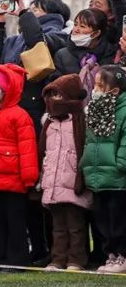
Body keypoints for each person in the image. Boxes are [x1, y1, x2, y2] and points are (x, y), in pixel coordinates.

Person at [0, 64, 39, 269]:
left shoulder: (19, 115)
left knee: (15, 223)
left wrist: (29, 178)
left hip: (14, 180)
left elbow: (28, 149)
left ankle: (16, 260)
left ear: (5, 88)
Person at [38, 74, 90, 271]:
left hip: (73, 181)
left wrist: (81, 177)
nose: (53, 100)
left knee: (75, 225)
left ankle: (76, 259)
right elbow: (43, 152)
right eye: (50, 96)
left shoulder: (80, 121)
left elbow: (83, 150)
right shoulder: (49, 123)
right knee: (58, 226)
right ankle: (58, 259)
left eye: (57, 95)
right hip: (53, 182)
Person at [80, 65, 126, 274]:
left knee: (119, 219)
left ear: (114, 90)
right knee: (102, 218)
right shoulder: (94, 109)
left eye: (100, 86)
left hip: (117, 177)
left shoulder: (123, 111)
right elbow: (90, 142)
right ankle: (111, 254)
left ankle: (122, 255)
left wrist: (120, 164)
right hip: (98, 174)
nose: (95, 89)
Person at [54, 9, 117, 82]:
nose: (76, 29)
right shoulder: (62, 55)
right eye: (75, 24)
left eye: (82, 26)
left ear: (96, 33)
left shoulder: (111, 54)